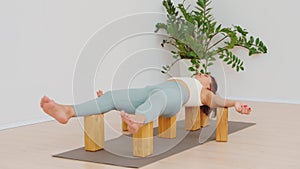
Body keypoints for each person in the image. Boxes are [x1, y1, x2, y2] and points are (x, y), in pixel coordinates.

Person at [40, 73, 251, 134]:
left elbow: (218, 101)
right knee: (111, 97)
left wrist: (235, 103)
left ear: (209, 86)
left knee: (157, 99)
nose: (202, 73)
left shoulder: (202, 92)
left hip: (171, 100)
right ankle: (67, 111)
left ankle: (138, 120)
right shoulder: (185, 79)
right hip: (149, 91)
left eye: (206, 75)